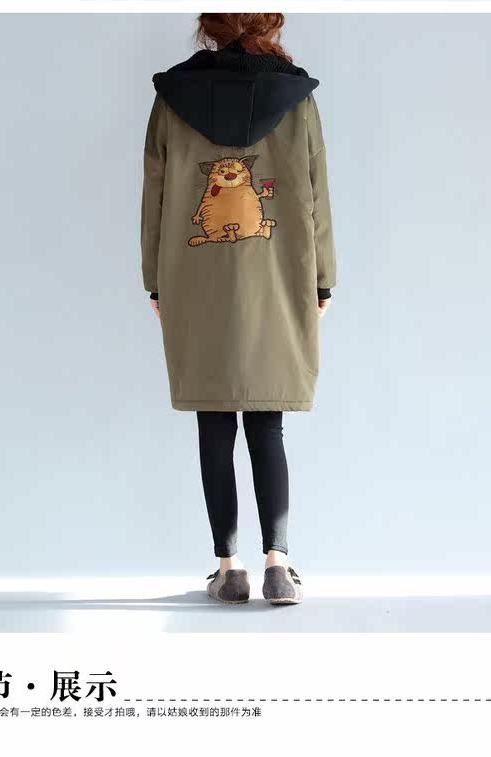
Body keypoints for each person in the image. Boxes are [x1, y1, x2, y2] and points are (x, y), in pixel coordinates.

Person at [140, 13, 336, 605]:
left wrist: (155, 283)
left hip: (193, 277)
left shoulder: (172, 98)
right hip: (279, 278)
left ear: (209, 31)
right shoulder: (295, 99)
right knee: (267, 422)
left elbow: (156, 198)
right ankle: (279, 562)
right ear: (269, 30)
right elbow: (316, 193)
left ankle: (228, 568)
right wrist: (323, 281)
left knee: (214, 422)